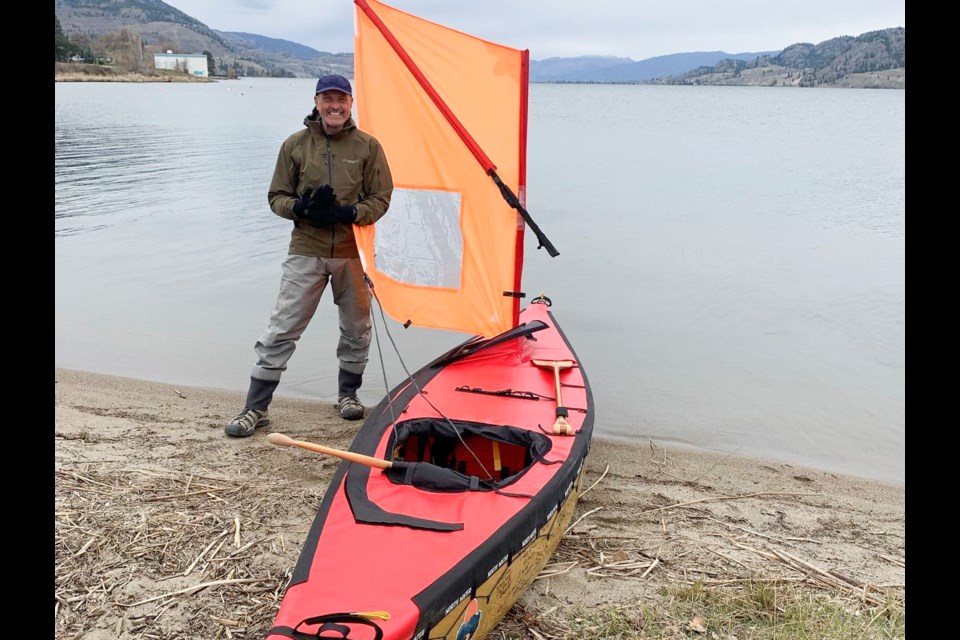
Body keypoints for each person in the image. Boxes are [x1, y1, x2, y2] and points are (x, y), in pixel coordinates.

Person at [225, 74, 394, 437]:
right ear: (316, 101)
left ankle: (348, 396)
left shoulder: (368, 146)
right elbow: (276, 197)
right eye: (328, 98)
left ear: (351, 103)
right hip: (306, 250)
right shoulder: (295, 145)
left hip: (353, 252)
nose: (335, 106)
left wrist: (350, 214)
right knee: (282, 328)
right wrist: (299, 208)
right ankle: (256, 408)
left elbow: (381, 198)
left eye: (342, 99)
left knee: (357, 329)